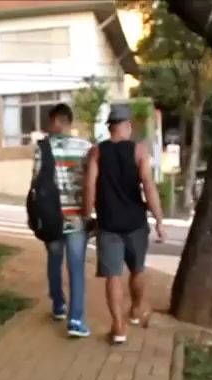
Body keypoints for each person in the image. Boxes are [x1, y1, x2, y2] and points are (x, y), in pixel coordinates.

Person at [83, 104, 165, 344]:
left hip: (108, 222)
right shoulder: (139, 151)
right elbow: (148, 185)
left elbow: (89, 185)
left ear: (110, 128)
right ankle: (136, 308)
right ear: (127, 126)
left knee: (113, 275)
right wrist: (159, 220)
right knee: (138, 269)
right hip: (135, 222)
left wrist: (87, 214)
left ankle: (118, 327)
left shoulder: (97, 152)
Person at [31, 103, 93, 338]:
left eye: (50, 121)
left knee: (54, 259)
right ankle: (76, 320)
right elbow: (91, 180)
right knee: (76, 267)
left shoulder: (42, 148)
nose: (48, 126)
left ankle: (58, 304)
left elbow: (36, 182)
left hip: (52, 216)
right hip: (76, 216)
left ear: (57, 120)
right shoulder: (86, 148)